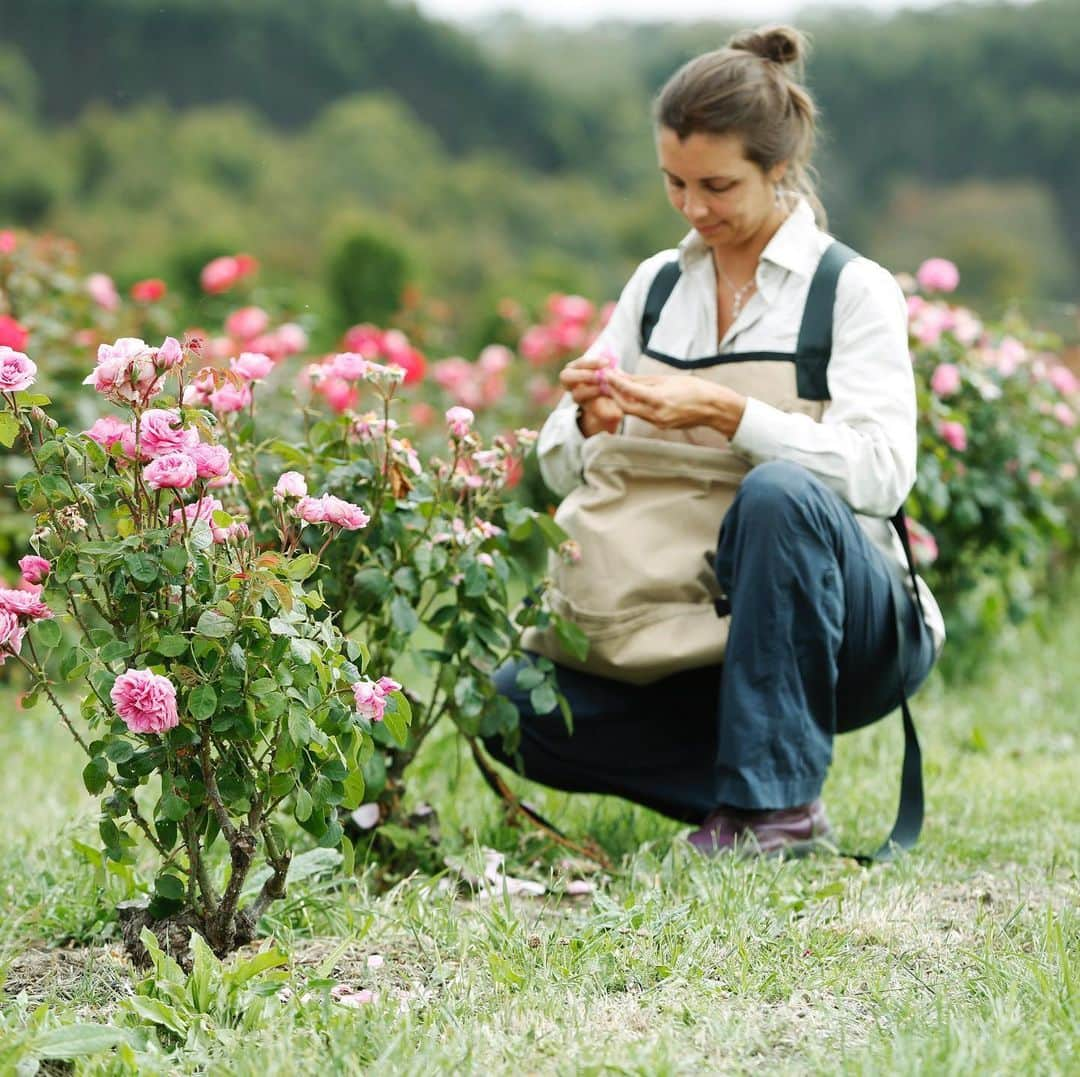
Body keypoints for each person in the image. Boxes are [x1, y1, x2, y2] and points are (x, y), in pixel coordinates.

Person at [485, 25, 945, 857]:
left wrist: (731, 417)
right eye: (675, 183)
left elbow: (881, 476)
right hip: (681, 621)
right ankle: (755, 790)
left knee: (779, 493)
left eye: (718, 185)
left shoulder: (850, 290)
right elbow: (557, 466)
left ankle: (778, 804)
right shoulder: (658, 288)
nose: (695, 209)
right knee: (517, 705)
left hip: (848, 627)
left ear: (780, 170)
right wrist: (590, 419)